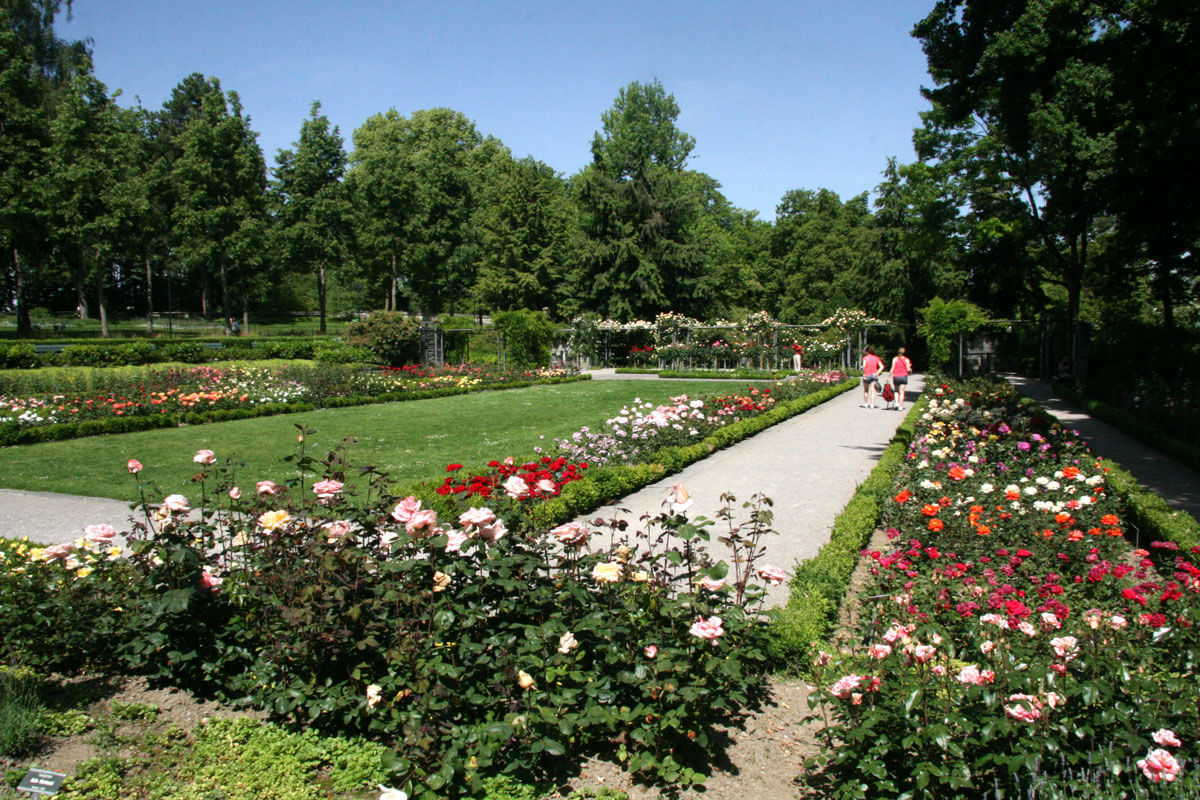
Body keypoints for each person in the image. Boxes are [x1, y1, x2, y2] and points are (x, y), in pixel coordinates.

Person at [890, 347, 913, 411]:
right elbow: (908, 370)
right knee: (902, 392)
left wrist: (889, 376)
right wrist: (910, 368)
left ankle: (896, 404)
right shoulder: (906, 360)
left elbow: (892, 368)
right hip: (904, 377)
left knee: (896, 391)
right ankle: (901, 406)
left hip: (896, 376)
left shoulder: (895, 359)